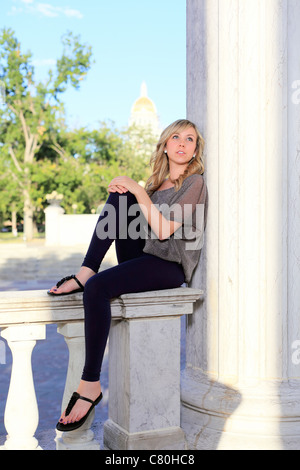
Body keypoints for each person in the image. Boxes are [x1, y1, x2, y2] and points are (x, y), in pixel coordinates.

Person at [48, 119, 208, 432]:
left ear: (194, 152)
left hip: (168, 264)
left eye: (190, 139)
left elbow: (163, 231)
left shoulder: (194, 184)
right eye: (175, 136)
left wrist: (135, 188)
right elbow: (134, 218)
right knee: (120, 196)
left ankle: (90, 384)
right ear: (164, 144)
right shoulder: (151, 188)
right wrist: (132, 190)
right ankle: (85, 269)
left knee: (97, 289)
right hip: (141, 256)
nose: (182, 143)